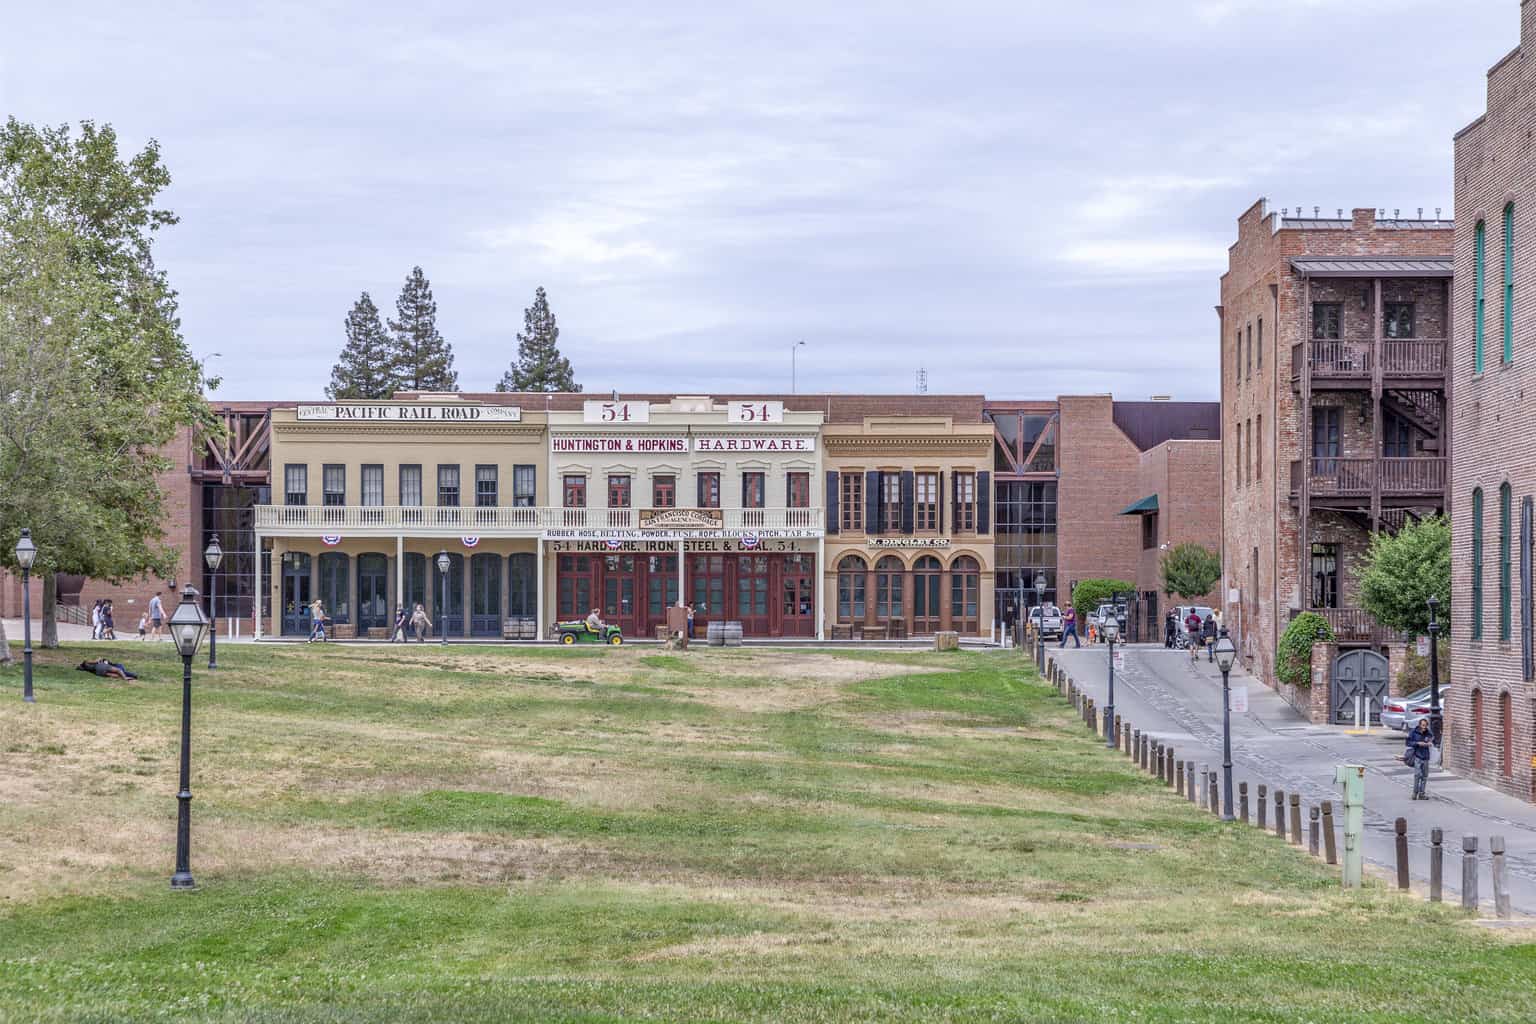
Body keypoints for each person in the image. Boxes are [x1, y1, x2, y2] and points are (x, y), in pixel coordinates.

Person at [1406, 718, 1434, 799]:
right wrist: (1417, 743)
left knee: (1424, 776)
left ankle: (1422, 794)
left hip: (1426, 756)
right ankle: (1415, 793)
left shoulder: (1428, 732)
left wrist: (1430, 743)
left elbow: (1432, 739)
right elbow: (1408, 742)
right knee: (1417, 775)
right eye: (1422, 725)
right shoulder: (1413, 732)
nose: (1424, 727)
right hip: (1417, 756)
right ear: (1419, 725)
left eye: (1425, 725)